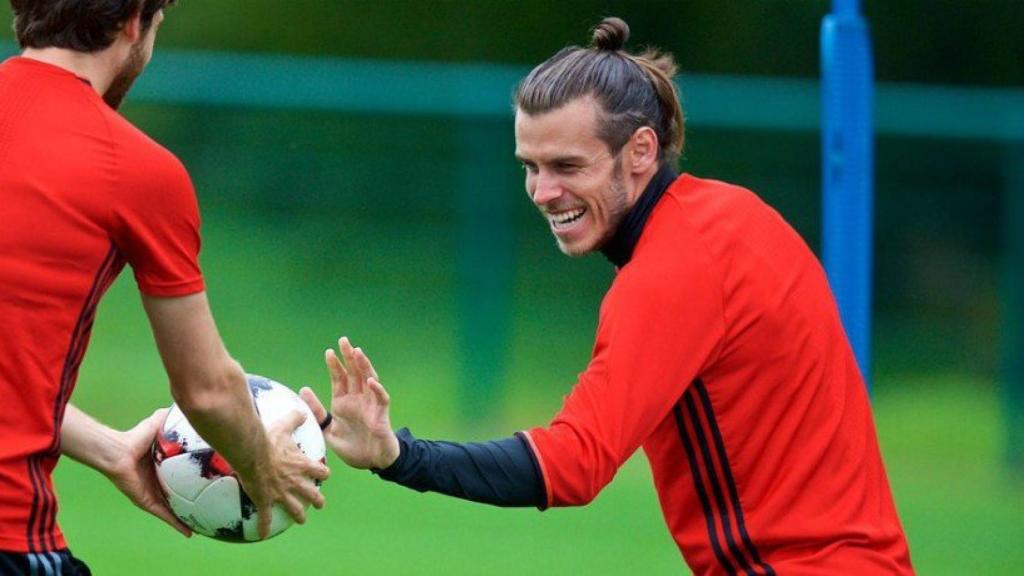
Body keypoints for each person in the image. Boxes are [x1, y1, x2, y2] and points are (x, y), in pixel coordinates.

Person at [301, 16, 915, 575]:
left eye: (567, 167)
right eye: (529, 166)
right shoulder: (730, 216)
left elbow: (573, 464)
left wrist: (399, 455)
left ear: (641, 150)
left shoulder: (674, 269)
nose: (543, 192)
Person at [0, 1, 329, 573]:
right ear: (134, 22)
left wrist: (107, 448)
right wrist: (260, 463)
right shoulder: (134, 169)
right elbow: (205, 389)